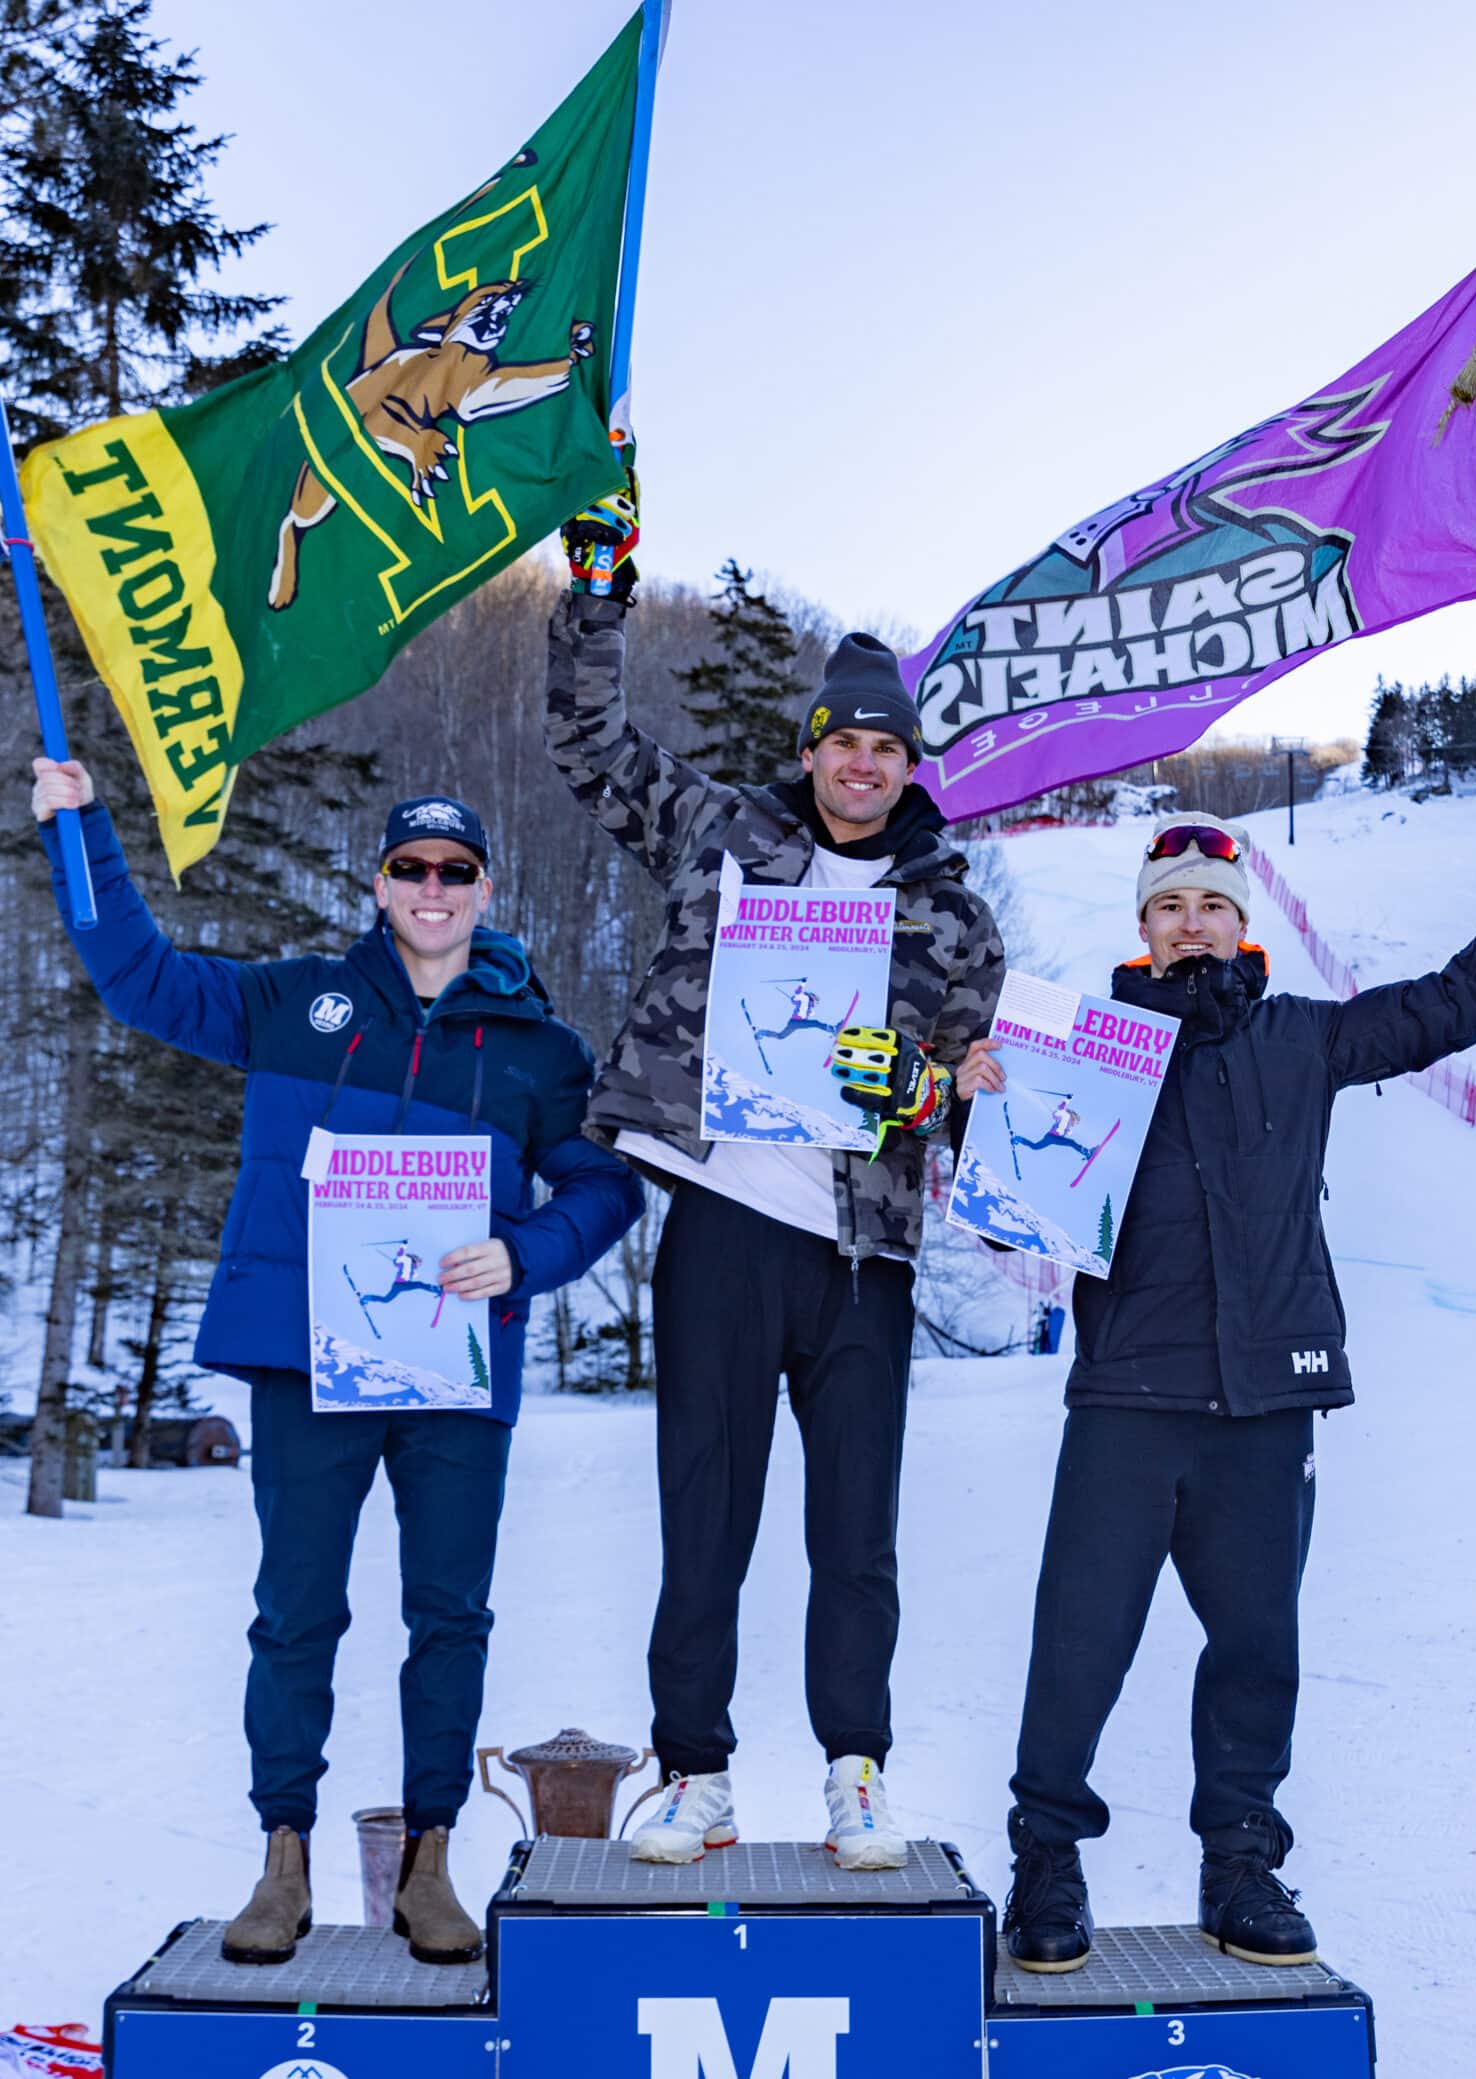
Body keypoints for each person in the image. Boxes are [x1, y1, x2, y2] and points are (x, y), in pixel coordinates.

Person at [29, 763, 642, 1966]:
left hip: (454, 1369)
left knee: (449, 1615)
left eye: (454, 871)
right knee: (296, 1610)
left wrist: (524, 1255)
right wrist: (81, 827)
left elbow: (603, 1183)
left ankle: (429, 1861)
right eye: (410, 868)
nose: (432, 888)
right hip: (309, 1362)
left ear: (484, 890)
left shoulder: (539, 1049)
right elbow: (137, 977)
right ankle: (283, 1857)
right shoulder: (296, 1001)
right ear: (379, 884)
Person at [995, 801, 1476, 1974]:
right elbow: (1008, 1201)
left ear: (1242, 925)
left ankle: (1240, 1866)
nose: (1191, 925)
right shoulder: (1082, 1054)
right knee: (1078, 1644)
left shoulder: (1304, 1039)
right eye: (1169, 907)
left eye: (1211, 907)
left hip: (1267, 1400)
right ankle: (1047, 1861)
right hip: (1128, 1395)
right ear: (1141, 928)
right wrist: (984, 1101)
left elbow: (1458, 1002)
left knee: (1256, 1648)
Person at [546, 491, 1006, 1869]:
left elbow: (977, 1103)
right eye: (844, 742)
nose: (863, 764)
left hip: (865, 1255)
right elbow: (588, 744)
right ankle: (696, 1774)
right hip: (727, 1225)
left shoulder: (955, 914)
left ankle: (856, 1773)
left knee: (856, 1534)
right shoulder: (723, 834)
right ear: (810, 750)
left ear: (909, 766)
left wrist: (930, 1093)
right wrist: (598, 591)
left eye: (886, 747)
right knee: (706, 1517)